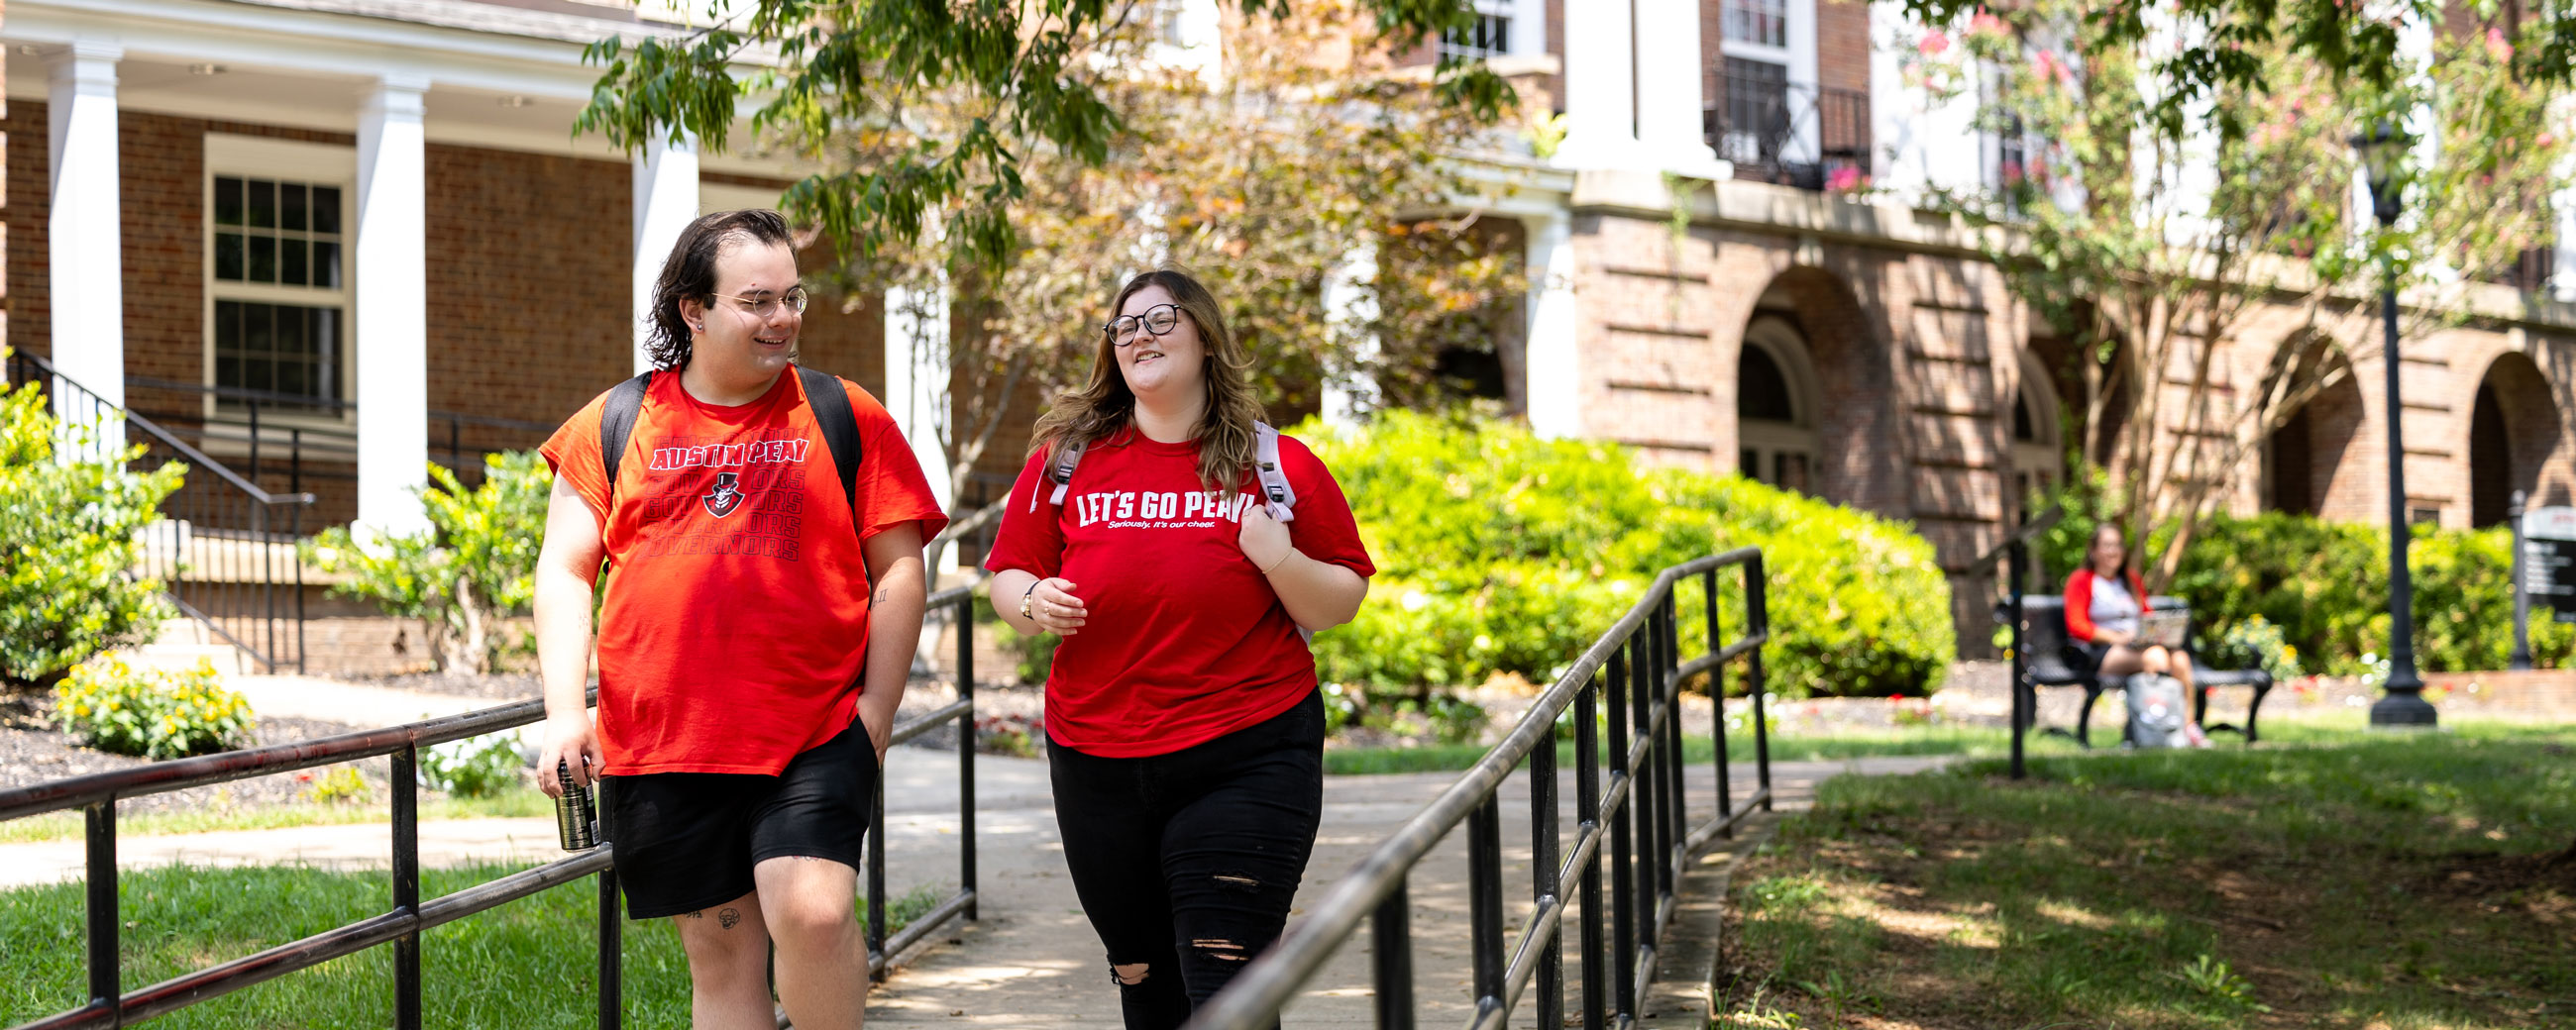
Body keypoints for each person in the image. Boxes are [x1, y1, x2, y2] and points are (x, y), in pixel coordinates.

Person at [533, 209, 948, 1030]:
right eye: (758, 301)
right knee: (723, 962)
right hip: (664, 742)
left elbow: (899, 568)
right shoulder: (614, 421)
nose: (784, 317)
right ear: (694, 309)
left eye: (792, 296)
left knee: (816, 915)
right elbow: (565, 570)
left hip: (816, 730)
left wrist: (876, 712)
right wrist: (561, 713)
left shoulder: (841, 413)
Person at [983, 267, 1374, 1030]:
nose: (1139, 336)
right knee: (1142, 972)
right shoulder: (1065, 461)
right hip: (1095, 755)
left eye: (1160, 320)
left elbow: (1341, 602)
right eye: (1124, 326)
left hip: (1245, 747)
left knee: (1225, 974)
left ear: (1204, 336)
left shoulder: (1278, 466)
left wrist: (1278, 557)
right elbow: (1007, 573)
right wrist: (1032, 599)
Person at [2063, 521, 2206, 746]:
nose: (2113, 551)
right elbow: (2077, 625)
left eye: (2118, 545)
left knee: (2180, 659)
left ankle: (2187, 728)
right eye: (2107, 545)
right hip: (2100, 652)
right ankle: (2143, 731)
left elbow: (2147, 615)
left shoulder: (2130, 579)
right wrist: (2118, 638)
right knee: (2156, 657)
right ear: (2093, 551)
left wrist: (2157, 632)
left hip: (2139, 645)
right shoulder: (2081, 580)